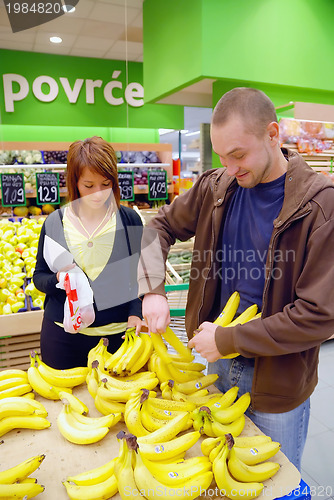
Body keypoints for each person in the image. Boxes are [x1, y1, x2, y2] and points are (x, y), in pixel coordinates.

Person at [138, 87, 334, 471]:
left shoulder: (320, 205)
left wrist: (228, 339)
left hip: (277, 385)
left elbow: (318, 315)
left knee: (274, 485)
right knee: (223, 475)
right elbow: (157, 227)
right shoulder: (217, 187)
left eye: (239, 154)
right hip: (217, 365)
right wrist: (152, 290)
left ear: (273, 134)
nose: (230, 167)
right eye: (222, 156)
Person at [34, 136, 143, 369]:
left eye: (106, 184)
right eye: (89, 185)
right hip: (62, 339)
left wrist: (136, 313)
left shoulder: (130, 220)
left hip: (118, 339)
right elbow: (38, 277)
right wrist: (59, 281)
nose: (98, 194)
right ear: (75, 182)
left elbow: (141, 276)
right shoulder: (55, 223)